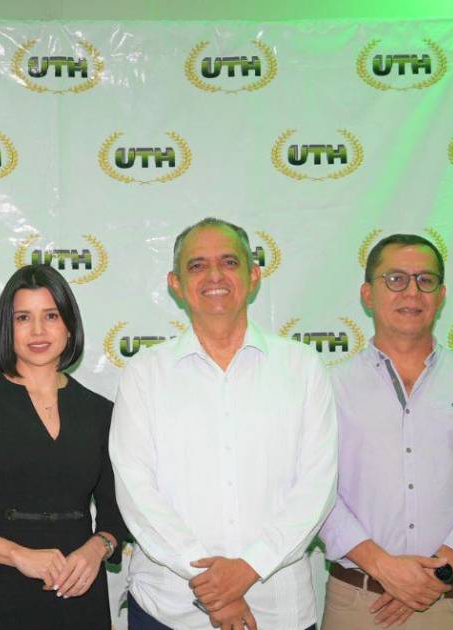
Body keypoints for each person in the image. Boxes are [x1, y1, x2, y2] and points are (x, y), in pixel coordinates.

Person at [110, 217, 337, 630]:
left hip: (278, 610)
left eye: (229, 262)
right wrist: (212, 583)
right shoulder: (145, 373)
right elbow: (135, 489)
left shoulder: (302, 367)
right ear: (176, 284)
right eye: (197, 265)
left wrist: (249, 567)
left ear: (253, 276)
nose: (214, 275)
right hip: (168, 609)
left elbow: (317, 485)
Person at [319, 234, 453, 629]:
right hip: (359, 603)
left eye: (425, 280)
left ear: (441, 295)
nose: (412, 292)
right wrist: (383, 567)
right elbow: (317, 491)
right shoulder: (329, 387)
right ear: (367, 294)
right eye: (395, 279)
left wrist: (436, 572)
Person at [0, 264, 127, 629]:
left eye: (51, 316)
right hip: (0, 593)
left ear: (69, 326)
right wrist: (18, 555)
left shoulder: (101, 412)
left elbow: (118, 511)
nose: (38, 330)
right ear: (7, 329)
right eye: (23, 317)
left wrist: (98, 547)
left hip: (81, 595)